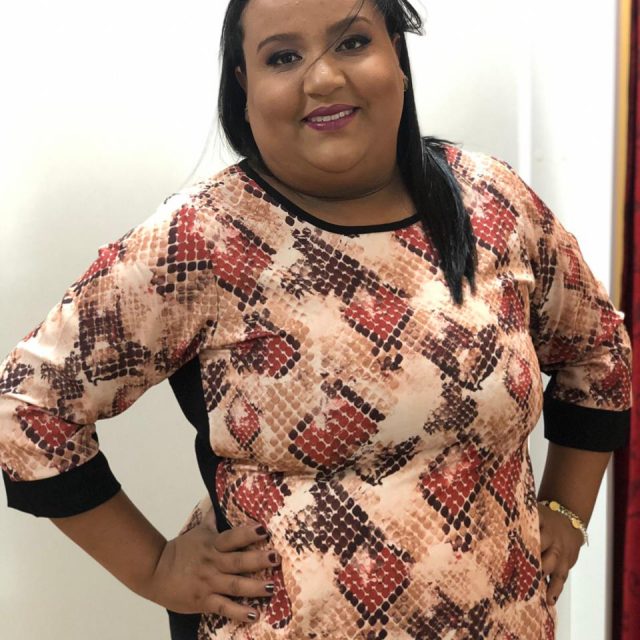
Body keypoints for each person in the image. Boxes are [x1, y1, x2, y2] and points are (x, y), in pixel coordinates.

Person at [0, 0, 631, 638]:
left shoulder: (492, 202)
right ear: (244, 86)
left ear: (397, 54)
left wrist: (566, 513)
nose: (323, 78)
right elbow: (27, 408)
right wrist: (156, 568)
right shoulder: (203, 238)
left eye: (352, 42)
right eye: (283, 57)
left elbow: (599, 352)